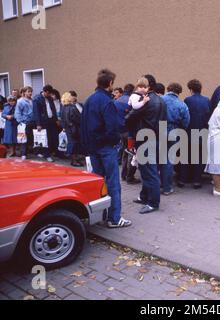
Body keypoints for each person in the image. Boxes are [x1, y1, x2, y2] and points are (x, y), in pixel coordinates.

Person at [81, 69, 132, 228]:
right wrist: (115, 141)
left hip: (93, 147)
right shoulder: (106, 101)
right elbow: (112, 127)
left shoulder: (89, 100)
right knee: (112, 183)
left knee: (98, 182)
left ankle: (100, 214)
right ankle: (114, 218)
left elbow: (83, 125)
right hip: (105, 147)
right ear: (110, 83)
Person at [126, 74, 167, 214]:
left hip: (145, 139)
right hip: (154, 138)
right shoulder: (161, 101)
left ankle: (153, 202)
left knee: (149, 171)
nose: (139, 87)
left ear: (148, 86)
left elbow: (130, 117)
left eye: (142, 84)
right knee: (146, 170)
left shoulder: (146, 101)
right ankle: (144, 197)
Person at [180, 79, 211, 189]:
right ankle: (197, 180)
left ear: (191, 89)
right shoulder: (207, 100)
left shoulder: (187, 100)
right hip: (202, 131)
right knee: (199, 157)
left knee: (186, 156)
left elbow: (185, 116)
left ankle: (183, 179)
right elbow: (209, 117)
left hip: (189, 131)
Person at [160, 83, 190, 195]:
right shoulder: (182, 105)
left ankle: (157, 184)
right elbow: (186, 121)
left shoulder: (160, 100)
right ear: (179, 92)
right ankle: (167, 188)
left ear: (168, 89)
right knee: (169, 160)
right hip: (174, 131)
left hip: (159, 130)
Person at [33, 85, 59, 162]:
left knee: (52, 138)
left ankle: (50, 152)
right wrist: (38, 124)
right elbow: (36, 112)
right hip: (43, 122)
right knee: (45, 139)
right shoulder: (37, 99)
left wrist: (56, 119)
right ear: (45, 92)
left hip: (51, 120)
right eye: (48, 93)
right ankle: (46, 155)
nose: (49, 95)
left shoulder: (50, 98)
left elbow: (53, 109)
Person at [61, 92, 83, 167]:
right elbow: (78, 119)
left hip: (68, 128)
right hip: (74, 128)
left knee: (72, 143)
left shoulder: (63, 108)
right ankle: (74, 161)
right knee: (75, 144)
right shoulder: (72, 107)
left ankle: (73, 159)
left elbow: (63, 119)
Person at [15, 86, 34, 160]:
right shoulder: (20, 101)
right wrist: (21, 121)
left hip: (32, 121)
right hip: (24, 122)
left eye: (31, 91)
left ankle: (30, 152)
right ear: (24, 92)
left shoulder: (32, 100)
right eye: (28, 91)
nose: (30, 93)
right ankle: (23, 154)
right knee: (23, 138)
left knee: (30, 137)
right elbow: (17, 112)